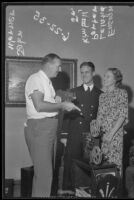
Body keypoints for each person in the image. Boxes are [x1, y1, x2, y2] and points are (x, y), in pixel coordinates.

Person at [24, 53, 80, 197]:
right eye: (58, 65)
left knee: (44, 174)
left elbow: (45, 104)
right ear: (49, 65)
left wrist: (56, 101)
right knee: (44, 174)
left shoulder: (46, 81)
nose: (60, 69)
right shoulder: (36, 79)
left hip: (47, 128)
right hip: (40, 127)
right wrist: (61, 105)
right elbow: (39, 106)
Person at [62, 61, 102, 192]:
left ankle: (86, 193)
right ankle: (68, 192)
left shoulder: (100, 94)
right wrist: (64, 135)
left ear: (93, 73)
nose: (84, 75)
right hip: (74, 134)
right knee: (69, 164)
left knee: (89, 166)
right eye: (82, 72)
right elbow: (65, 115)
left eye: (87, 72)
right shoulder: (72, 92)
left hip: (91, 136)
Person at [91, 68, 128, 176]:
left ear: (115, 79)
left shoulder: (122, 93)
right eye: (104, 76)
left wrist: (111, 134)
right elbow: (99, 115)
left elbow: (122, 115)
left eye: (108, 76)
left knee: (114, 166)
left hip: (115, 135)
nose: (105, 79)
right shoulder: (102, 96)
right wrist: (96, 131)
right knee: (103, 164)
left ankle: (116, 191)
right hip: (103, 135)